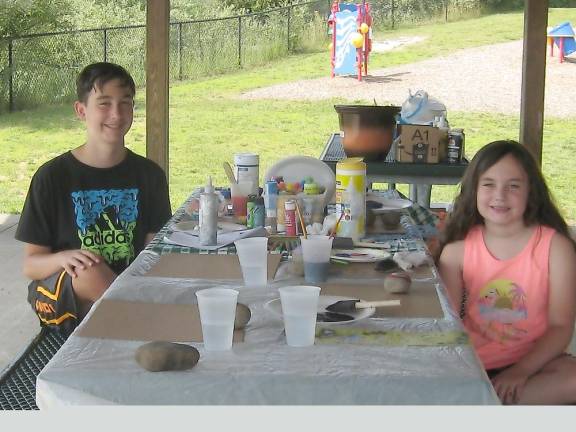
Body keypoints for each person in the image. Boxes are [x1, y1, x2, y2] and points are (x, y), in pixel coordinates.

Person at [15, 62, 172, 336]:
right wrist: (64, 257)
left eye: (125, 103)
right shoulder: (52, 177)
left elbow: (152, 254)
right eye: (104, 103)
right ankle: (148, 329)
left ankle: (129, 323)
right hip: (61, 296)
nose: (117, 113)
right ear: (81, 110)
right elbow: (31, 264)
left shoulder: (150, 175)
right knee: (89, 268)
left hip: (128, 289)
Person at [437, 139, 576, 405]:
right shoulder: (456, 253)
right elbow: (448, 328)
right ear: (473, 191)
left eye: (513, 186)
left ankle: (482, 404)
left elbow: (561, 327)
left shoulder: (556, 248)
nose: (500, 195)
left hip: (537, 366)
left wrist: (520, 371)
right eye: (489, 184)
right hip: (474, 366)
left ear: (531, 192)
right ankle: (489, 401)